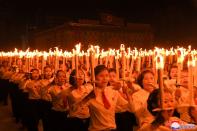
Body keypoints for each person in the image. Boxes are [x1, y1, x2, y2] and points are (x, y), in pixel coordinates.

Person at [86, 65, 129, 131]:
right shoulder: (90, 93)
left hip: (112, 128)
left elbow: (126, 106)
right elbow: (76, 108)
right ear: (94, 77)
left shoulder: (112, 90)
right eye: (101, 76)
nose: (105, 78)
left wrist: (126, 93)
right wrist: (89, 95)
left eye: (106, 75)